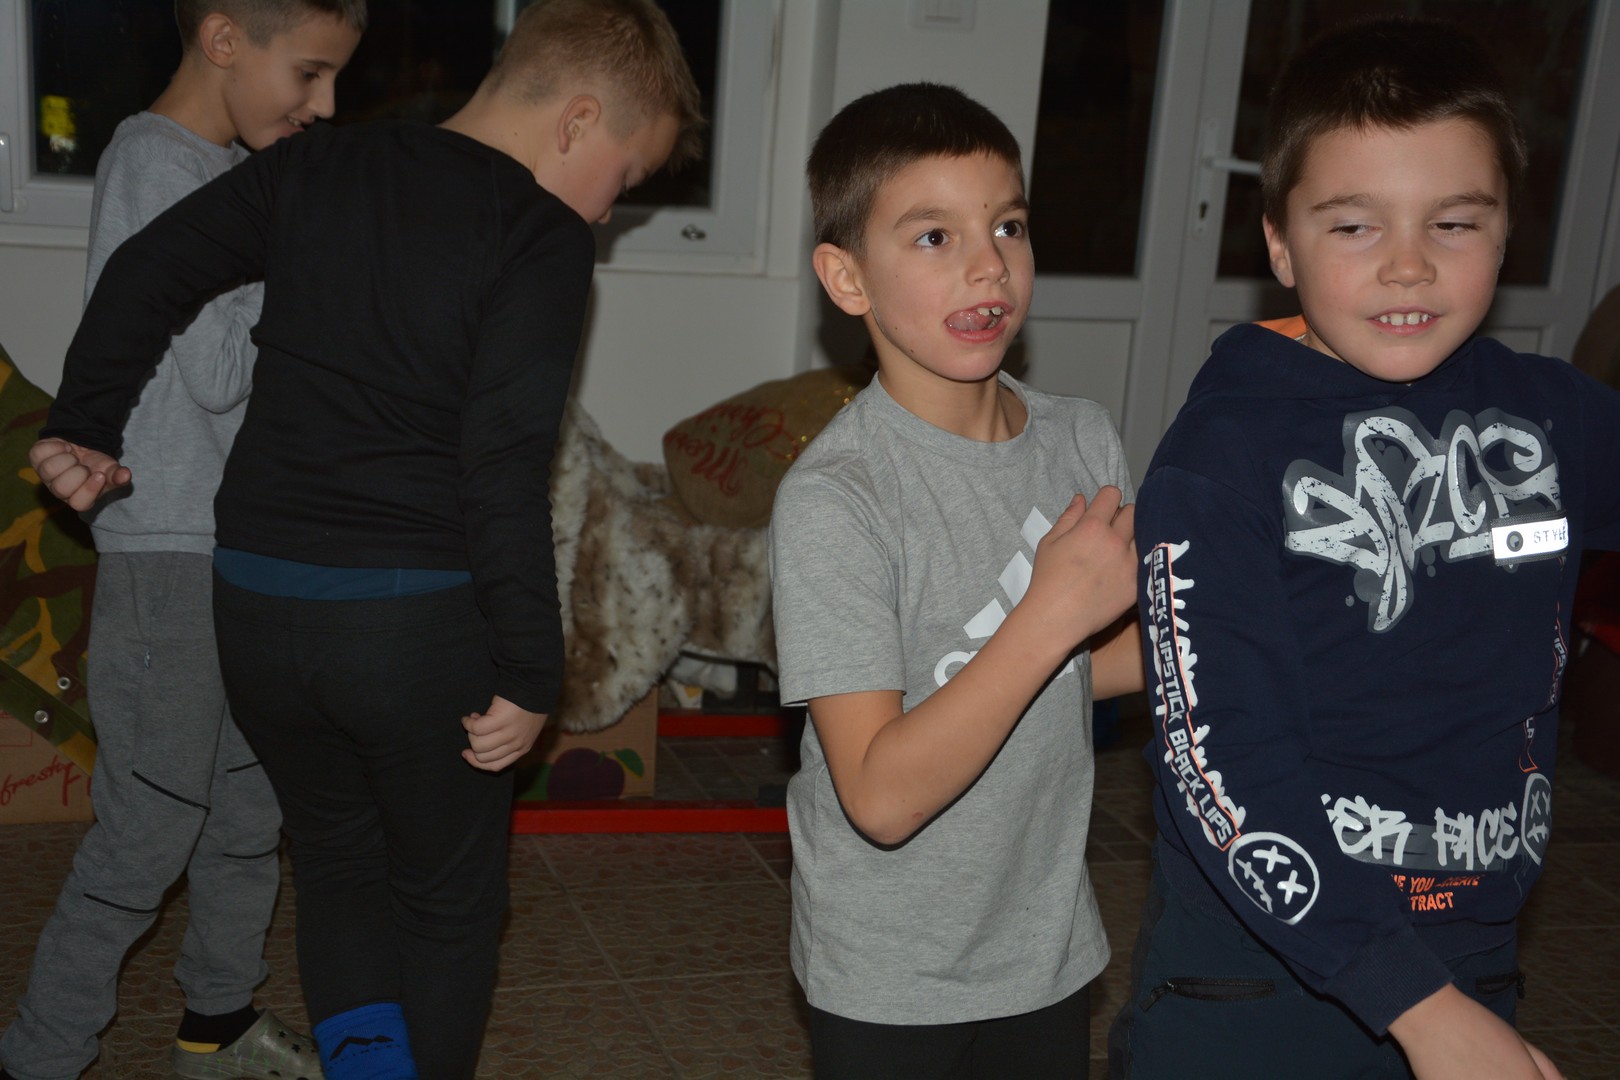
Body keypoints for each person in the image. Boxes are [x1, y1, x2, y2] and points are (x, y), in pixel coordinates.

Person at [25, 1, 702, 1076]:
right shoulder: (540, 234)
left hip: (256, 613)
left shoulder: (315, 165)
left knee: (339, 864)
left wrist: (85, 423)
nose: (609, 211)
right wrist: (534, 671)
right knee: (447, 901)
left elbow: (148, 268)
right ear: (577, 120)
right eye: (624, 179)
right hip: (409, 628)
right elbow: (503, 468)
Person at [1110, 16, 1620, 1080]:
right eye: (1353, 226)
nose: (1408, 265)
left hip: (1473, 954)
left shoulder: (1555, 417)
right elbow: (1219, 761)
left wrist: (1445, 1005)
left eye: (1454, 223)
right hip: (1258, 988)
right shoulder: (1220, 457)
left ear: (1506, 231)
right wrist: (1418, 1009)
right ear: (1279, 245)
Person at [0, 4, 363, 1080]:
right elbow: (217, 371)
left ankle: (217, 1022)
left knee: (247, 808)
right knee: (148, 829)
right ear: (224, 40)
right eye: (310, 73)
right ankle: (41, 1053)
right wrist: (312, 265)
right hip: (168, 554)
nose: (326, 105)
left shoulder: (229, 170)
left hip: (234, 548)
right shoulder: (158, 164)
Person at [770, 82, 1141, 1079]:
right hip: (892, 969)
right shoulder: (838, 500)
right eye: (934, 237)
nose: (989, 264)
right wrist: (1050, 613)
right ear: (847, 279)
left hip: (1044, 942)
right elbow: (880, 796)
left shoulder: (1081, 439)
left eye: (1007, 225)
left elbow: (1094, 669)